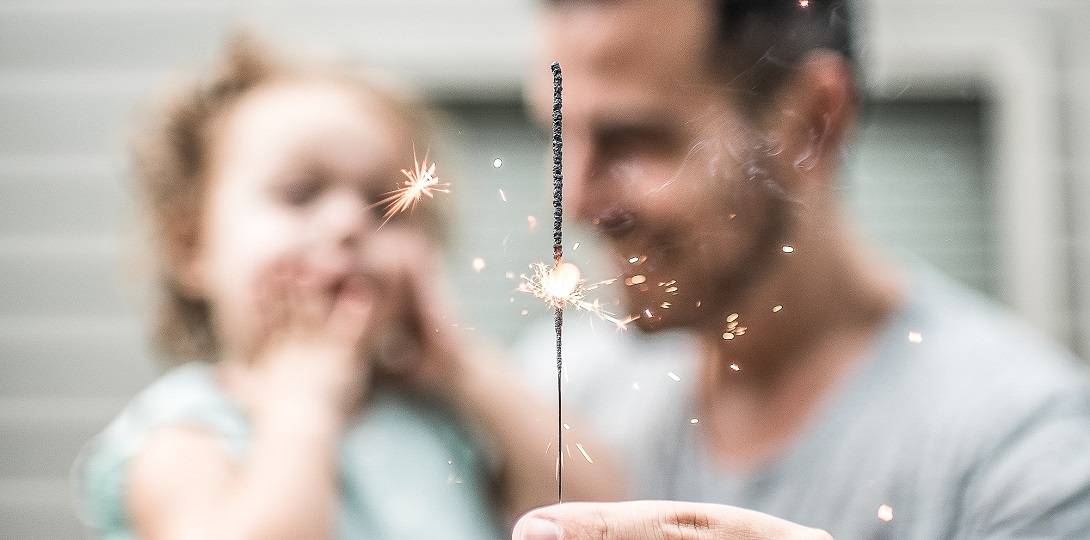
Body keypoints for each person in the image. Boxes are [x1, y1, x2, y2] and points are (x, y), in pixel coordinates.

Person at [511, 0, 1090, 538]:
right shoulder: (566, 391)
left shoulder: (1026, 453)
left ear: (812, 122)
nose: (576, 202)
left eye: (632, 140)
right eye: (560, 137)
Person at [73, 33, 621, 540]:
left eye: (387, 206)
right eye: (300, 192)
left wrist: (463, 368)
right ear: (192, 247)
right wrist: (304, 406)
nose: (348, 222)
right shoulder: (188, 432)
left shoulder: (443, 419)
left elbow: (603, 514)